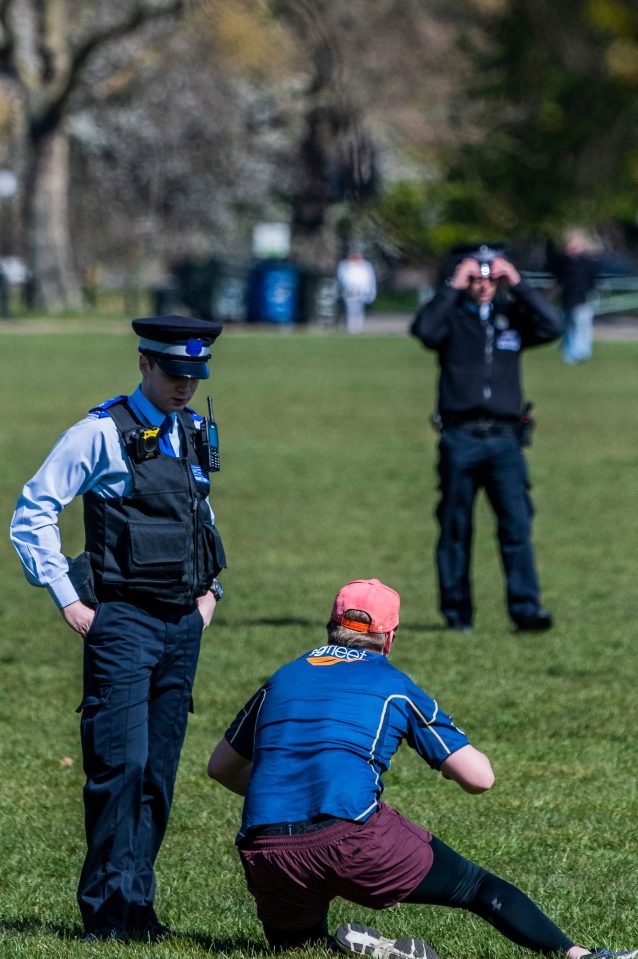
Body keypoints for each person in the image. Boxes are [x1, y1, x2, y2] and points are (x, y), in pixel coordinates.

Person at [207, 578, 635, 959]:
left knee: (300, 950)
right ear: (389, 637)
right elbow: (480, 779)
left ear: (329, 626)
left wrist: (291, 796)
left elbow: (221, 768)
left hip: (267, 851)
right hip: (354, 838)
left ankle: (365, 949)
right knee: (477, 889)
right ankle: (583, 955)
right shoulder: (394, 686)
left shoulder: (281, 680)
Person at [10, 314, 227, 942]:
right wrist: (68, 599)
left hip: (181, 624)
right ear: (144, 365)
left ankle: (139, 908)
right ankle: (105, 917)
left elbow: (198, 516)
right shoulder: (100, 433)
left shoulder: (191, 431)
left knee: (157, 774)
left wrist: (211, 590)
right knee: (120, 769)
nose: (185, 385)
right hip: (122, 622)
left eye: (195, 374)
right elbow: (32, 513)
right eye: (173, 372)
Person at [410, 245, 561, 633]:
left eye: (491, 279)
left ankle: (526, 610)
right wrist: (451, 286)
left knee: (516, 526)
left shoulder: (511, 318)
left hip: (506, 441)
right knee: (456, 528)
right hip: (460, 438)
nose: (483, 287)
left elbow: (554, 326)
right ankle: (458, 614)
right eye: (476, 279)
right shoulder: (451, 319)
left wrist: (520, 284)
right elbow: (424, 331)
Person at [550, 229, 599, 365]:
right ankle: (569, 352)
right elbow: (558, 279)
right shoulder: (564, 262)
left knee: (581, 325)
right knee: (568, 327)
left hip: (582, 299)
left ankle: (582, 352)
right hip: (567, 299)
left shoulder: (587, 262)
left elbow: (593, 281)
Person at [337, 247, 377, 334]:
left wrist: (371, 290)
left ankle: (358, 326)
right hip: (350, 289)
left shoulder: (366, 265)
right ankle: (351, 326)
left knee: (359, 308)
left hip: (362, 290)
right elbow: (342, 278)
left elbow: (370, 279)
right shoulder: (345, 265)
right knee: (351, 308)